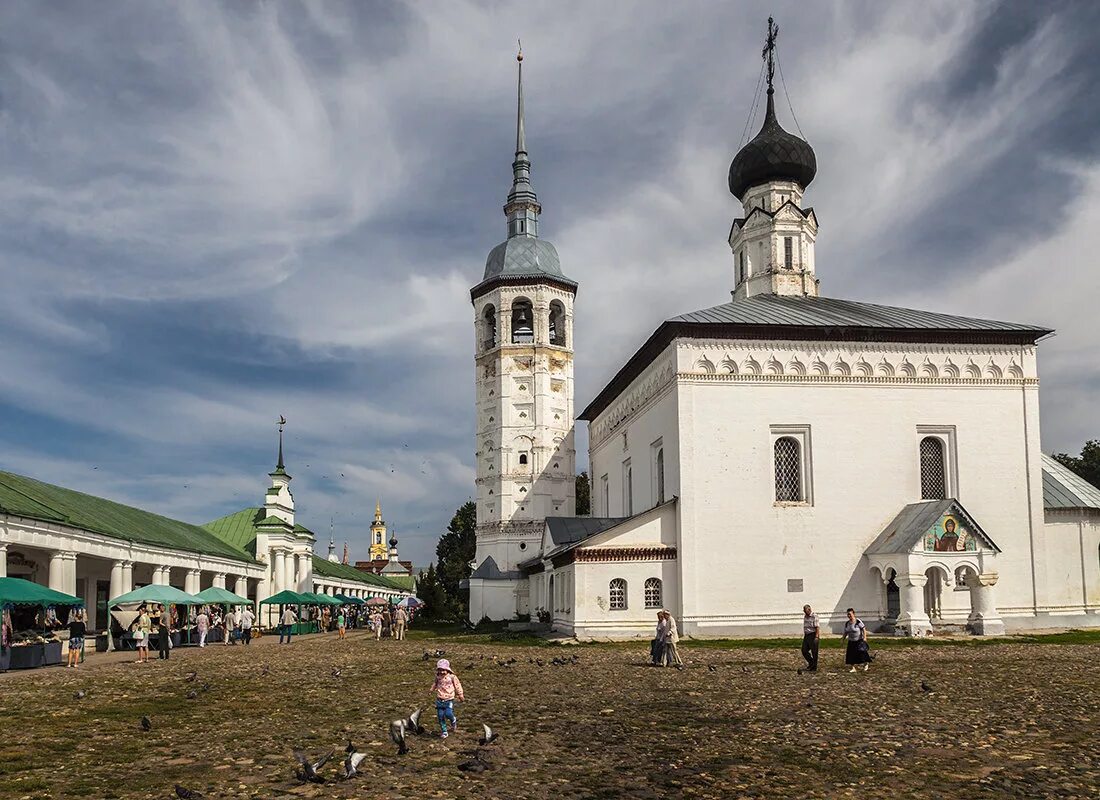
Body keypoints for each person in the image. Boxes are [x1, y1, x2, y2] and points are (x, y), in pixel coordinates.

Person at [430, 659, 465, 739]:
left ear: (447, 669)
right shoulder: (438, 677)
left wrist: (460, 694)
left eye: (443, 670)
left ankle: (453, 720)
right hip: (439, 699)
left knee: (448, 713)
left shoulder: (452, 677)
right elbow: (435, 683)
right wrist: (431, 690)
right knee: (440, 716)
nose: (441, 672)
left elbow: (457, 685)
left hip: (449, 699)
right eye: (439, 670)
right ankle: (444, 731)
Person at [842, 607, 871, 673]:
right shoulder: (847, 623)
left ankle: (866, 664)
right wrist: (842, 639)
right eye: (848, 614)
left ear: (853, 614)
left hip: (859, 640)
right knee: (850, 655)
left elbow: (863, 629)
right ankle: (853, 668)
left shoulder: (858, 621)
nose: (849, 616)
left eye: (850, 614)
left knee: (862, 653)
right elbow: (845, 632)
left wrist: (865, 637)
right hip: (851, 641)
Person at [801, 604, 820, 672]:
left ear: (809, 610)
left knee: (814, 652)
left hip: (813, 635)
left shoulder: (814, 616)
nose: (805, 613)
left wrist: (816, 637)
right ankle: (811, 663)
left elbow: (817, 627)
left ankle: (814, 667)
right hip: (807, 635)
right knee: (804, 650)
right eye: (804, 611)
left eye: (806, 611)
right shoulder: (805, 616)